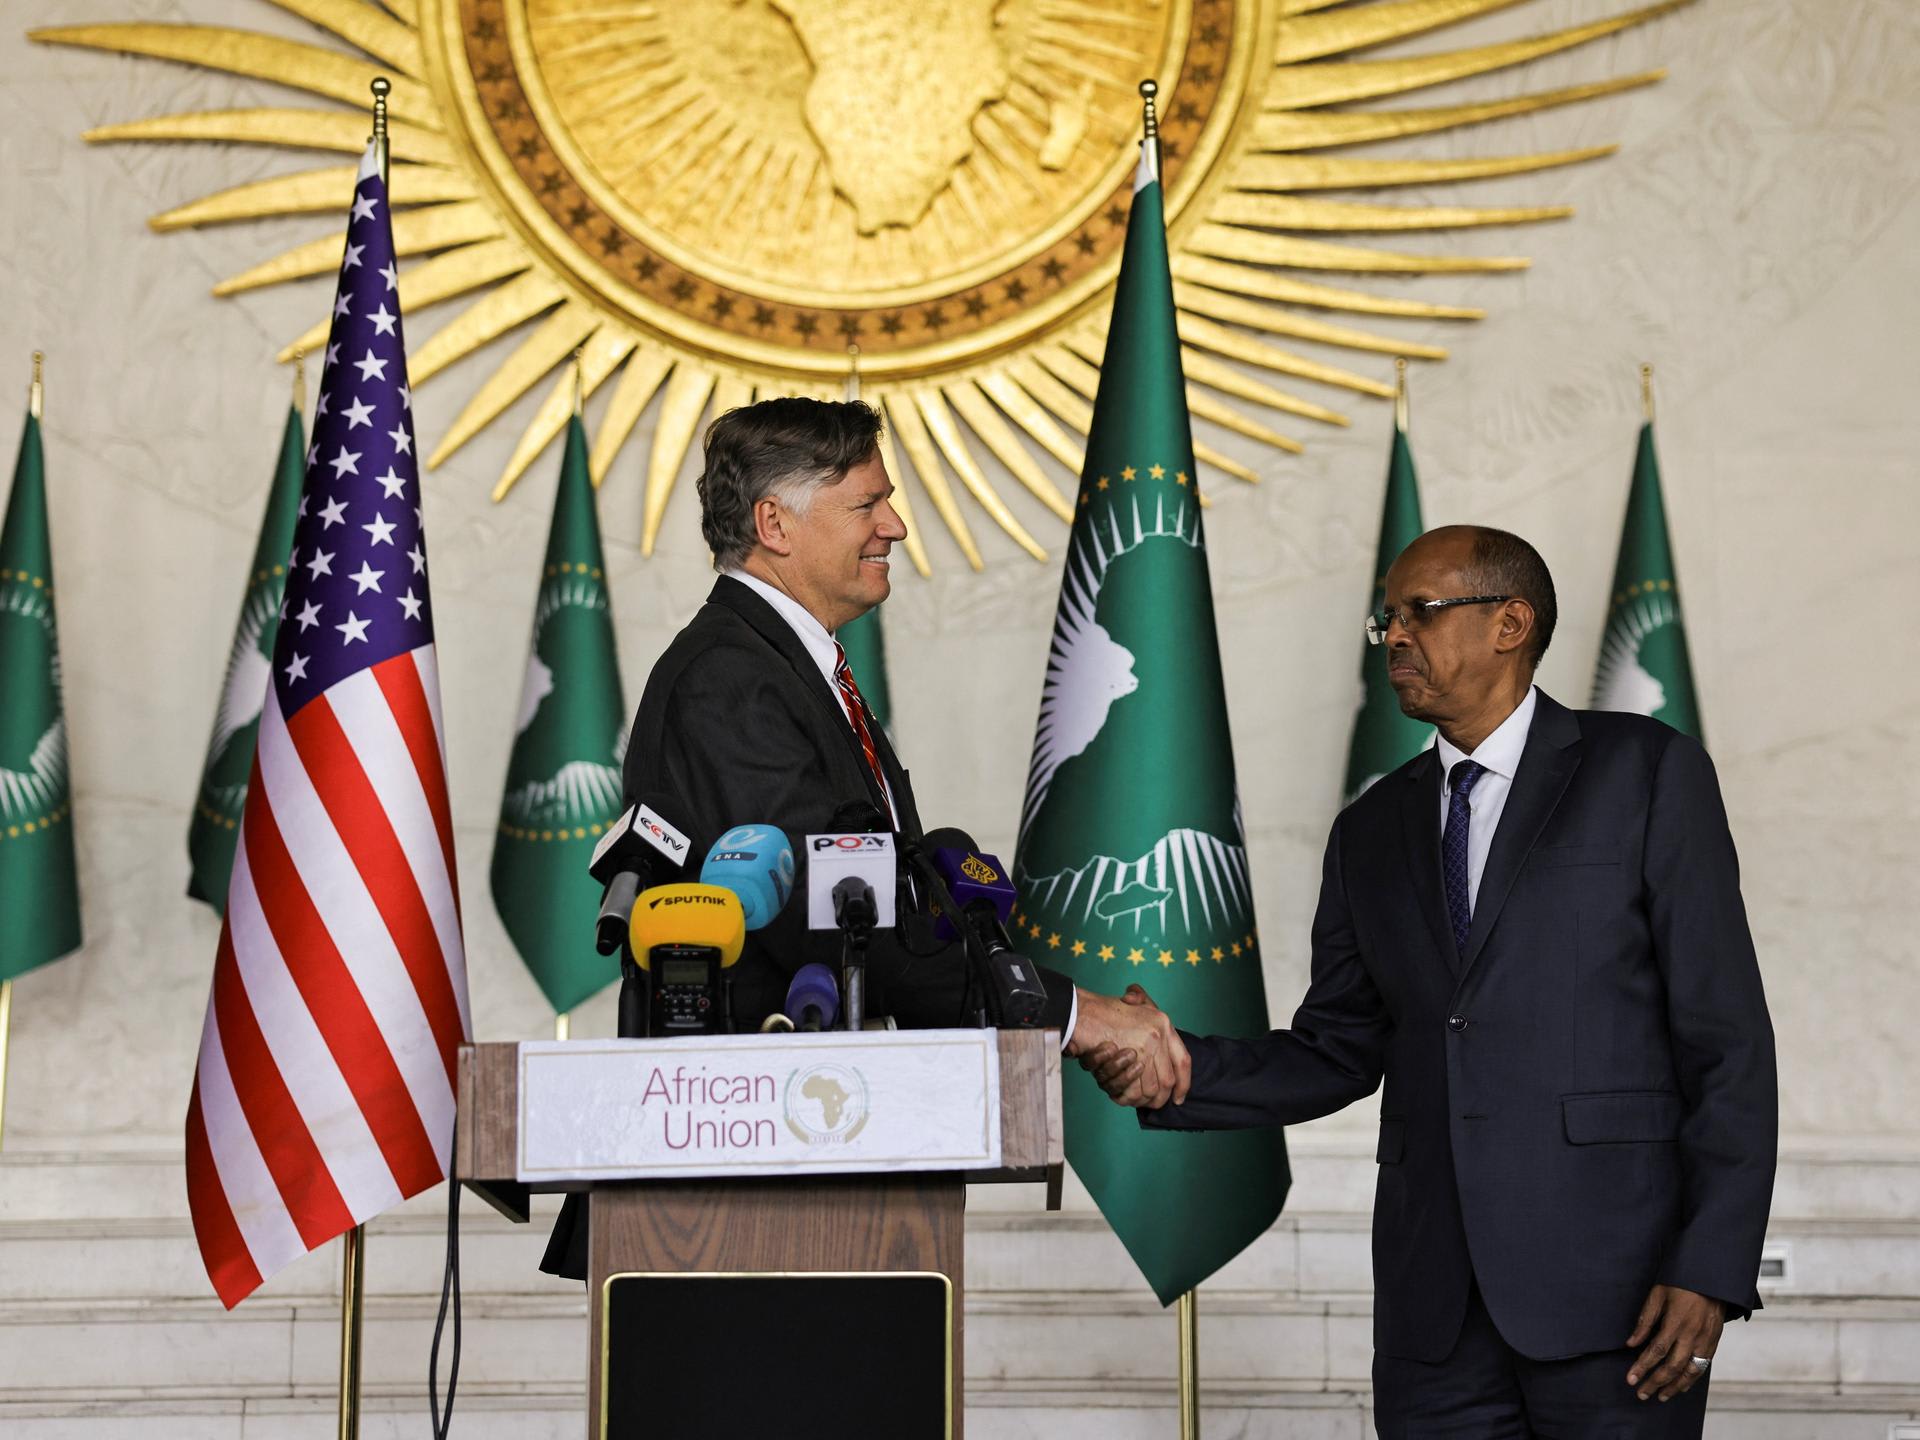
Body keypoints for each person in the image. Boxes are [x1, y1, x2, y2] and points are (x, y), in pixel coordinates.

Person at [1081, 526, 1777, 1437]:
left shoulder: (1643, 771)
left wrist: (1711, 1266)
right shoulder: (1372, 828)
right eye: (1388, 619)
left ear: (1510, 623)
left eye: (1421, 612)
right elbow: (1337, 1047)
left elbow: (1726, 1041)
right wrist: (1180, 1067)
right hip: (1433, 1319)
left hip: (1620, 1299)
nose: (1395, 636)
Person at [544, 398, 1185, 1277]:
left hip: (815, 1165)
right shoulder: (730, 680)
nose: (896, 525)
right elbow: (831, 921)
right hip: (733, 1185)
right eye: (866, 505)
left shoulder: (793, 671)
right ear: (774, 523)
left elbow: (876, 907)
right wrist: (1073, 1015)